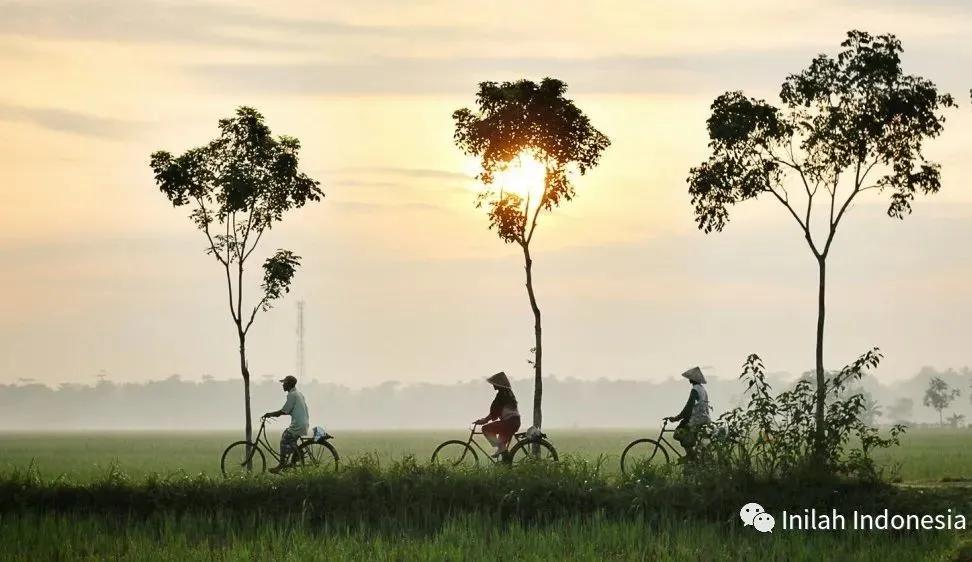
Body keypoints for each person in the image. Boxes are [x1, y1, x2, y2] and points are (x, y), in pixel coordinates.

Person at [262, 375, 309, 473]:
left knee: (284, 439)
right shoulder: (298, 394)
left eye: (284, 383)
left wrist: (269, 414)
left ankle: (282, 464)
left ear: (289, 384)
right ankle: (297, 454)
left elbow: (283, 411)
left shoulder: (292, 395)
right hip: (303, 423)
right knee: (290, 440)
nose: (283, 385)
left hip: (298, 424)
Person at [665, 366, 711, 462]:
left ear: (692, 379)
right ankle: (693, 458)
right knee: (687, 433)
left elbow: (688, 407)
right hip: (704, 417)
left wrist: (677, 418)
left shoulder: (695, 390)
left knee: (679, 432)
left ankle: (690, 455)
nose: (689, 380)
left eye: (690, 378)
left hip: (697, 418)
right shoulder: (702, 389)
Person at [473, 372, 521, 458]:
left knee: (486, 429)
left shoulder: (502, 395)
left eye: (494, 384)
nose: (493, 385)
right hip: (513, 423)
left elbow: (495, 411)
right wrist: (485, 419)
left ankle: (501, 448)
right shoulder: (508, 393)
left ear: (499, 384)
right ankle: (506, 464)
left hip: (509, 423)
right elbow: (496, 412)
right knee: (502, 448)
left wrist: (484, 420)